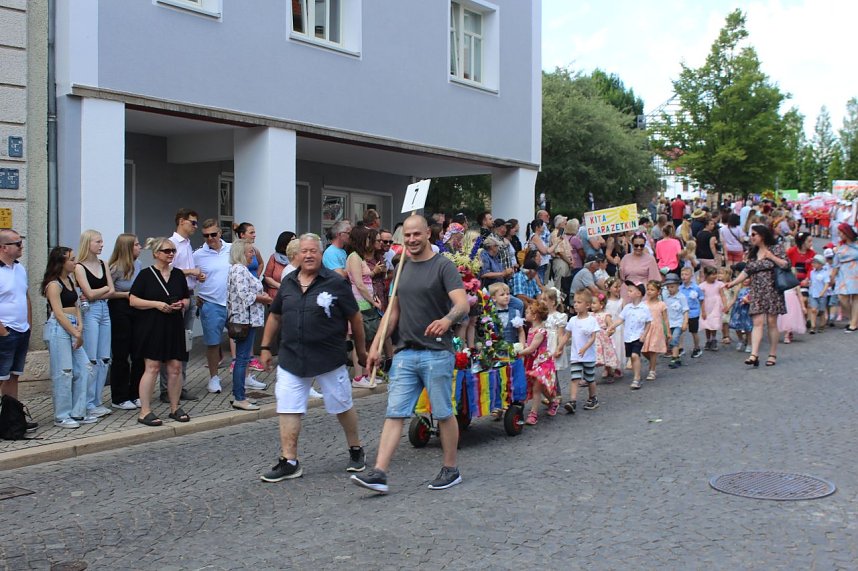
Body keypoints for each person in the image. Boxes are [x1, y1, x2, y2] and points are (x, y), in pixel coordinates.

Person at [352, 215, 469, 494]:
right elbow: (393, 312)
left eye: (417, 234)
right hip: (405, 352)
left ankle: (451, 469)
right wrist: (376, 346)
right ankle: (379, 473)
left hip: (436, 352)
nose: (412, 239)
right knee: (394, 413)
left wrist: (447, 320)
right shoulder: (401, 266)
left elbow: (462, 304)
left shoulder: (443, 266)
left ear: (428, 233)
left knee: (443, 413)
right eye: (407, 235)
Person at [258, 233, 367, 482]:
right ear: (297, 255)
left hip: (329, 357)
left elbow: (355, 318)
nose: (308, 255)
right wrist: (265, 347)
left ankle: (356, 448)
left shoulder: (336, 282)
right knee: (288, 407)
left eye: (313, 251)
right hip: (291, 357)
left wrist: (361, 351)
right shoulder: (288, 282)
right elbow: (275, 315)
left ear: (321, 254)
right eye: (304, 251)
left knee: (342, 404)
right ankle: (289, 461)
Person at [130, 237, 191, 426]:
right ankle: (145, 411)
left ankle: (174, 407)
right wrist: (156, 304)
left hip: (174, 325)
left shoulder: (178, 274)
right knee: (153, 367)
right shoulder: (146, 275)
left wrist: (182, 304)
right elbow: (133, 300)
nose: (171, 253)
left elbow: (186, 298)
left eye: (173, 250)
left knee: (175, 367)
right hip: (152, 325)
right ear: (156, 253)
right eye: (167, 251)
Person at [42, 246, 95, 428]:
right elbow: (58, 313)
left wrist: (79, 326)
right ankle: (61, 415)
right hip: (60, 328)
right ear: (61, 262)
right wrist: (75, 333)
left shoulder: (70, 280)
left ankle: (78, 412)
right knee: (64, 372)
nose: (75, 262)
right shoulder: (53, 284)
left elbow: (76, 304)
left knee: (85, 368)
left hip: (73, 325)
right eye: (71, 259)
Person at [725, 224, 789, 367]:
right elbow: (747, 271)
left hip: (773, 290)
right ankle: (754, 354)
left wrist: (771, 257)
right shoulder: (752, 252)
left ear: (763, 235)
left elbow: (786, 264)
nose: (751, 237)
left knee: (771, 322)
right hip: (757, 291)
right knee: (757, 322)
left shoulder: (776, 248)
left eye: (754, 234)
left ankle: (772, 354)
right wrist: (733, 283)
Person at [162, 208, 204, 403]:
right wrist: (191, 271)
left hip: (189, 294)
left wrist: (196, 276)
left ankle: (180, 385)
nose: (195, 226)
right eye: (192, 222)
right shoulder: (172, 244)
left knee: (185, 342)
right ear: (181, 221)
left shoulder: (187, 244)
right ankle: (166, 388)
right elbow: (168, 269)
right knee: (172, 342)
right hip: (176, 297)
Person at [227, 239, 272, 411]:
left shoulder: (239, 269)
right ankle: (239, 397)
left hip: (246, 319)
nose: (253, 254)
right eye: (250, 251)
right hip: (244, 320)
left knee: (242, 358)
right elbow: (244, 295)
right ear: (241, 253)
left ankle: (239, 395)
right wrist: (263, 298)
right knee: (242, 359)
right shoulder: (239, 269)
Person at [74, 229, 115, 418]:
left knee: (104, 357)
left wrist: (100, 291)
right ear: (88, 243)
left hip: (104, 308)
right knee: (91, 357)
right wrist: (104, 289)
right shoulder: (79, 267)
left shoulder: (103, 263)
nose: (101, 245)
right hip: (90, 310)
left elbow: (111, 291)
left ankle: (97, 400)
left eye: (101, 241)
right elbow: (89, 294)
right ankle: (88, 402)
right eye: (97, 241)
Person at [0, 229, 36, 431]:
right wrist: (2, 331)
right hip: (5, 331)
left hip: (21, 330)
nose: (22, 246)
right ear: (4, 247)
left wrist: (28, 325)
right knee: (0, 376)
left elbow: (25, 297)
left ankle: (11, 419)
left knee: (14, 375)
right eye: (17, 243)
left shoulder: (20, 268)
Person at [193, 221, 235, 394]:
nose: (210, 238)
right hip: (210, 303)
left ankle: (245, 375)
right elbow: (189, 277)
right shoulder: (198, 254)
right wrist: (196, 293)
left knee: (241, 339)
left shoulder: (232, 249)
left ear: (220, 233)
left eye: (213, 234)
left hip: (233, 302)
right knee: (213, 343)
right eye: (206, 235)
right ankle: (213, 378)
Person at [107, 233, 144, 410]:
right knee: (121, 353)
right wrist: (125, 295)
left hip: (136, 308)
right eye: (136, 245)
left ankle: (136, 393)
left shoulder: (139, 264)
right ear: (128, 248)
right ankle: (119, 396)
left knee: (138, 353)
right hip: (120, 308)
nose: (140, 247)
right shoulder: (115, 268)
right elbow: (109, 292)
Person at [346, 225, 383, 388]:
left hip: (366, 301)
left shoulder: (359, 257)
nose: (370, 240)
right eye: (368, 237)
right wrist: (373, 302)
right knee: (359, 341)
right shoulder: (354, 257)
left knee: (368, 339)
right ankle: (358, 377)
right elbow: (359, 284)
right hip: (359, 302)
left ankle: (367, 374)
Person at [554, 290, 600, 413]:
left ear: (587, 305)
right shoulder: (573, 320)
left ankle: (593, 397)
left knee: (590, 379)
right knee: (575, 378)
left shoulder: (591, 320)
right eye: (575, 302)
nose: (575, 304)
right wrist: (559, 347)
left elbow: (593, 337)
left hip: (588, 356)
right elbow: (566, 335)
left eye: (579, 302)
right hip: (576, 356)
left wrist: (585, 348)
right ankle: (572, 401)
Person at [518, 300, 558, 424]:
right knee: (541, 387)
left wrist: (518, 353)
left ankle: (533, 414)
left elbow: (531, 348)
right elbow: (528, 346)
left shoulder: (540, 332)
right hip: (533, 361)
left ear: (534, 316)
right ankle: (553, 401)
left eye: (527, 312)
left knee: (537, 387)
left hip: (541, 362)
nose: (525, 314)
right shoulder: (531, 329)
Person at [607, 281, 652, 390]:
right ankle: (637, 373)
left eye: (631, 291)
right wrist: (611, 326)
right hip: (628, 337)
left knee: (635, 355)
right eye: (628, 291)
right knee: (632, 357)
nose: (628, 293)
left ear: (639, 293)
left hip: (638, 336)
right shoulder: (627, 307)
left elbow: (648, 322)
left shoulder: (644, 308)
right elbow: (620, 319)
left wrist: (644, 335)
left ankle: (637, 378)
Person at [829, 223, 858, 332]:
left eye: (841, 233)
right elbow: (835, 263)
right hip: (843, 273)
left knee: (856, 297)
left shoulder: (856, 243)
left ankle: (853, 323)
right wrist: (832, 277)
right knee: (842, 297)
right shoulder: (840, 246)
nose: (839, 235)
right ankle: (853, 319)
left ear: (847, 233)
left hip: (856, 272)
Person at [618, 233, 661, 301]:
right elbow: (621, 278)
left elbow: (654, 280)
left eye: (641, 245)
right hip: (627, 292)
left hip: (643, 292)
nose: (639, 248)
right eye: (636, 245)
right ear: (632, 244)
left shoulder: (650, 259)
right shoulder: (625, 258)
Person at [641, 281, 668, 381]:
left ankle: (652, 371)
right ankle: (653, 361)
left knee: (652, 349)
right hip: (646, 329)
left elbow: (665, 319)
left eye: (652, 290)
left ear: (658, 292)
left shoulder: (661, 304)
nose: (649, 291)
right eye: (648, 289)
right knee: (643, 350)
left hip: (657, 329)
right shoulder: (643, 304)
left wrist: (668, 332)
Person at [662, 273, 689, 370]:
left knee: (674, 339)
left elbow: (685, 310)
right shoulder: (666, 297)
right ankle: (677, 357)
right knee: (670, 339)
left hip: (678, 322)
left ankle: (674, 358)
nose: (670, 289)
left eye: (672, 287)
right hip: (669, 323)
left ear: (678, 285)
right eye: (668, 287)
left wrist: (685, 322)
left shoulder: (681, 297)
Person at [589, 293, 619, 380]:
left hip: (603, 339)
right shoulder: (590, 315)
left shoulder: (605, 315)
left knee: (606, 355)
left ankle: (610, 372)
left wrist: (609, 332)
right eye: (591, 303)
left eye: (594, 303)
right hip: (593, 339)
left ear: (601, 305)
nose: (591, 305)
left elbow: (612, 327)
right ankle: (589, 376)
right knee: (591, 357)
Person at [679, 266, 704, 358]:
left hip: (693, 313)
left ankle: (697, 348)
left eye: (686, 274)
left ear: (691, 276)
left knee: (694, 331)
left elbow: (701, 298)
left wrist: (703, 311)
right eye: (682, 274)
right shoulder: (680, 288)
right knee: (681, 331)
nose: (684, 276)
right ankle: (680, 347)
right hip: (682, 313)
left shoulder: (696, 288)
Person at [699, 266, 727, 350]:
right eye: (712, 274)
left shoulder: (719, 284)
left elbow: (722, 295)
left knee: (714, 322)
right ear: (706, 275)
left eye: (715, 274)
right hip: (707, 305)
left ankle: (714, 339)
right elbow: (702, 299)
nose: (715, 276)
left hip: (716, 305)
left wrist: (725, 305)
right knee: (707, 323)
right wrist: (703, 311)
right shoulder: (702, 286)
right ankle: (708, 340)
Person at [262, 231, 296, 299]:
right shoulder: (274, 258)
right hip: (275, 296)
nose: (294, 243)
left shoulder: (297, 258)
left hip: (292, 295)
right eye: (292, 240)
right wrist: (280, 286)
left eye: (295, 240)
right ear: (284, 242)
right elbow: (267, 277)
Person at [604, 277, 625, 380]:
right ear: (609, 288)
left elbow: (624, 314)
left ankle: (617, 367)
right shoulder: (605, 301)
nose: (618, 289)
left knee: (618, 347)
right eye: (616, 287)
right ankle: (607, 367)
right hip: (607, 327)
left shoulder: (621, 301)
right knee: (607, 347)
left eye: (619, 287)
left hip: (619, 327)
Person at [806, 255, 831, 334]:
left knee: (821, 311)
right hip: (813, 294)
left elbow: (827, 284)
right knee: (813, 310)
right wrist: (808, 284)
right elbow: (811, 281)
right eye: (813, 262)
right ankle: (813, 327)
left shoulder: (825, 273)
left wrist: (823, 292)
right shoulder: (812, 272)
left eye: (815, 263)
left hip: (822, 295)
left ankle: (822, 325)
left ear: (821, 264)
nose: (813, 264)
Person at [728, 278, 753, 352]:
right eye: (744, 279)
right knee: (737, 325)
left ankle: (749, 343)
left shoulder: (752, 289)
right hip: (737, 310)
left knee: (748, 327)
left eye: (747, 278)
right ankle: (740, 340)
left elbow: (753, 300)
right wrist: (728, 307)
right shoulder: (738, 288)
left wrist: (747, 301)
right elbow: (734, 299)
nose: (745, 280)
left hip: (746, 310)